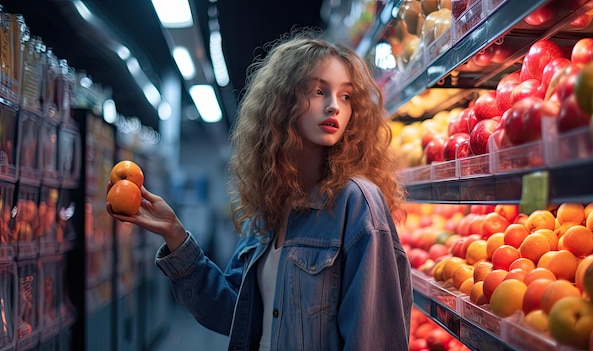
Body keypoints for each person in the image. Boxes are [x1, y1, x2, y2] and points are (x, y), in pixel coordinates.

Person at [107, 29, 413, 351]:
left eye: (346, 96)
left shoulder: (356, 203)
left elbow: (374, 341)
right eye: (318, 91)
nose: (334, 106)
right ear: (282, 103)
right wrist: (174, 234)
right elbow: (232, 313)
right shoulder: (269, 209)